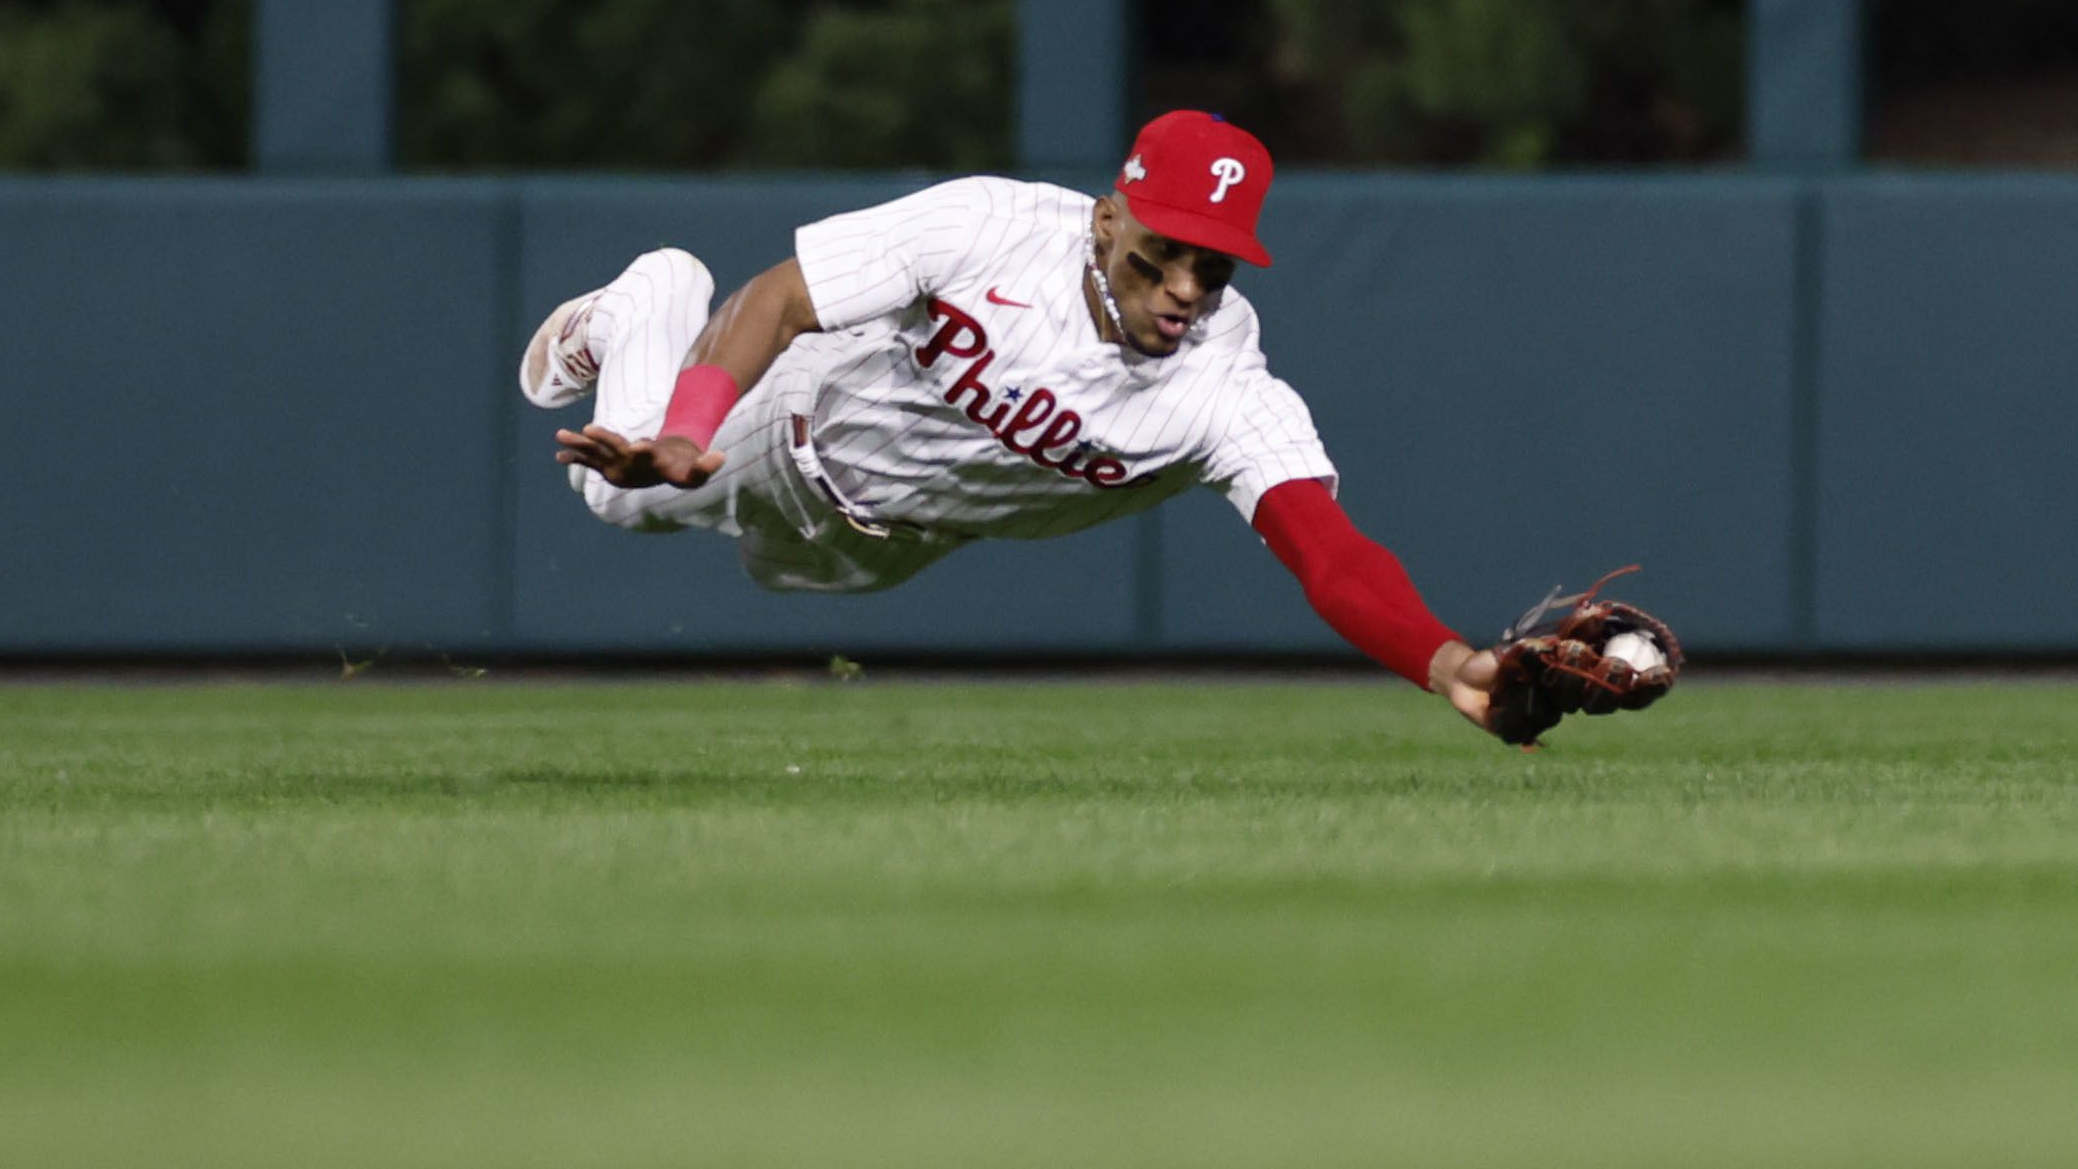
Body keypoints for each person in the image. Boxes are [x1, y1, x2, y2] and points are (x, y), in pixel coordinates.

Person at [517, 110, 1508, 731]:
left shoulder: (1223, 384)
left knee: (766, 571)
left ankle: (664, 374)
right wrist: (690, 429)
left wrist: (1447, 661)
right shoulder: (988, 228)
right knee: (612, 494)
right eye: (1161, 253)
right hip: (790, 421)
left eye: (1212, 266)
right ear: (1108, 214)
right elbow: (778, 298)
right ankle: (648, 301)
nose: (1182, 289)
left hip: (885, 549)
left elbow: (1328, 555)